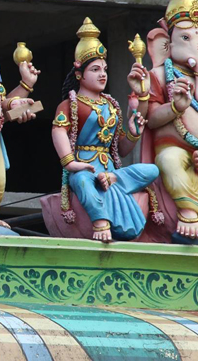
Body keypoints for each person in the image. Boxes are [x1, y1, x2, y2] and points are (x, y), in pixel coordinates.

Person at [51, 18, 159, 242]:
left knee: (152, 171)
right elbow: (58, 131)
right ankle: (101, 221)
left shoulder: (111, 105)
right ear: (80, 75)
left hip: (110, 169)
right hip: (85, 166)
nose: (102, 74)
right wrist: (71, 163)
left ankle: (110, 178)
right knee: (81, 180)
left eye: (105, 69)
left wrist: (133, 133)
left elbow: (121, 149)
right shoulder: (71, 105)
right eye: (95, 69)